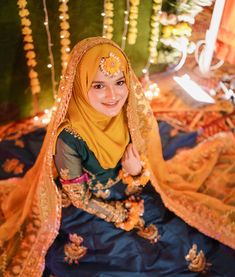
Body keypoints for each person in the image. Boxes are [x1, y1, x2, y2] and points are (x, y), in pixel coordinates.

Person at [0, 37, 235, 277]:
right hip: (88, 203)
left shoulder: (127, 113)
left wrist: (135, 173)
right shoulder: (68, 138)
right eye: (99, 85)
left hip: (126, 185)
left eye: (119, 81)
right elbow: (80, 198)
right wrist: (119, 213)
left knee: (179, 231)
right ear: (80, 85)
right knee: (117, 256)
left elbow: (141, 167)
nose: (113, 95)